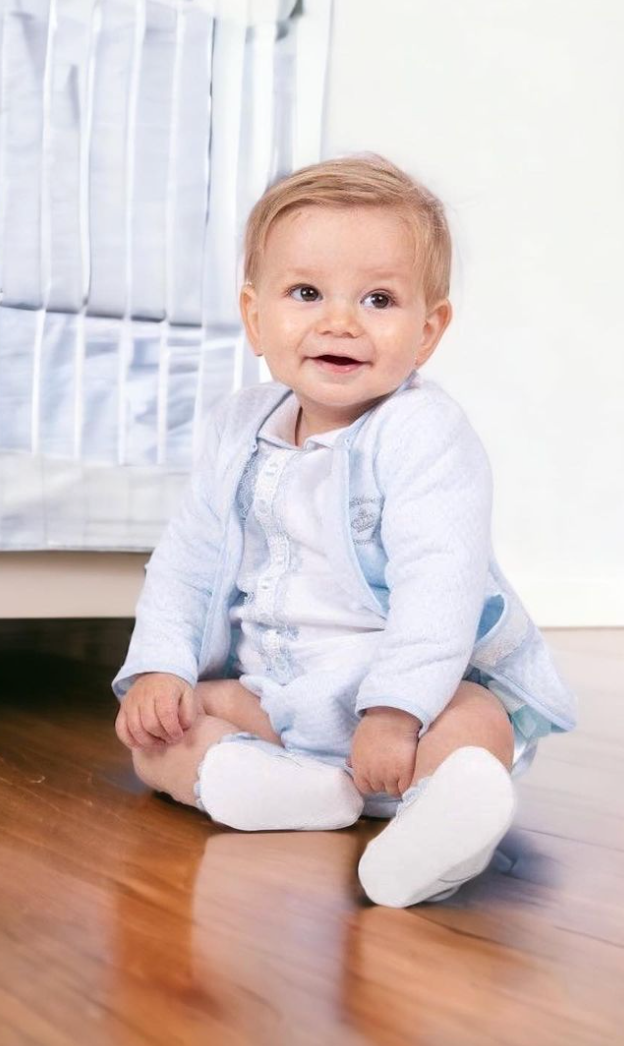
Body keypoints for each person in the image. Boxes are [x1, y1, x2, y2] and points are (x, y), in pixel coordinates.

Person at [112, 154, 576, 907]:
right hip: (274, 690)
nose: (340, 321)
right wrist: (161, 668)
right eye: (305, 293)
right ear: (255, 316)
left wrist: (395, 713)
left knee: (480, 721)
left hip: (403, 697)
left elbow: (441, 585)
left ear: (427, 332)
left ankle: (431, 833)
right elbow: (186, 565)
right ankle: (275, 786)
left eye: (379, 299)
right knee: (156, 735)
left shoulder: (423, 432)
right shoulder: (237, 428)